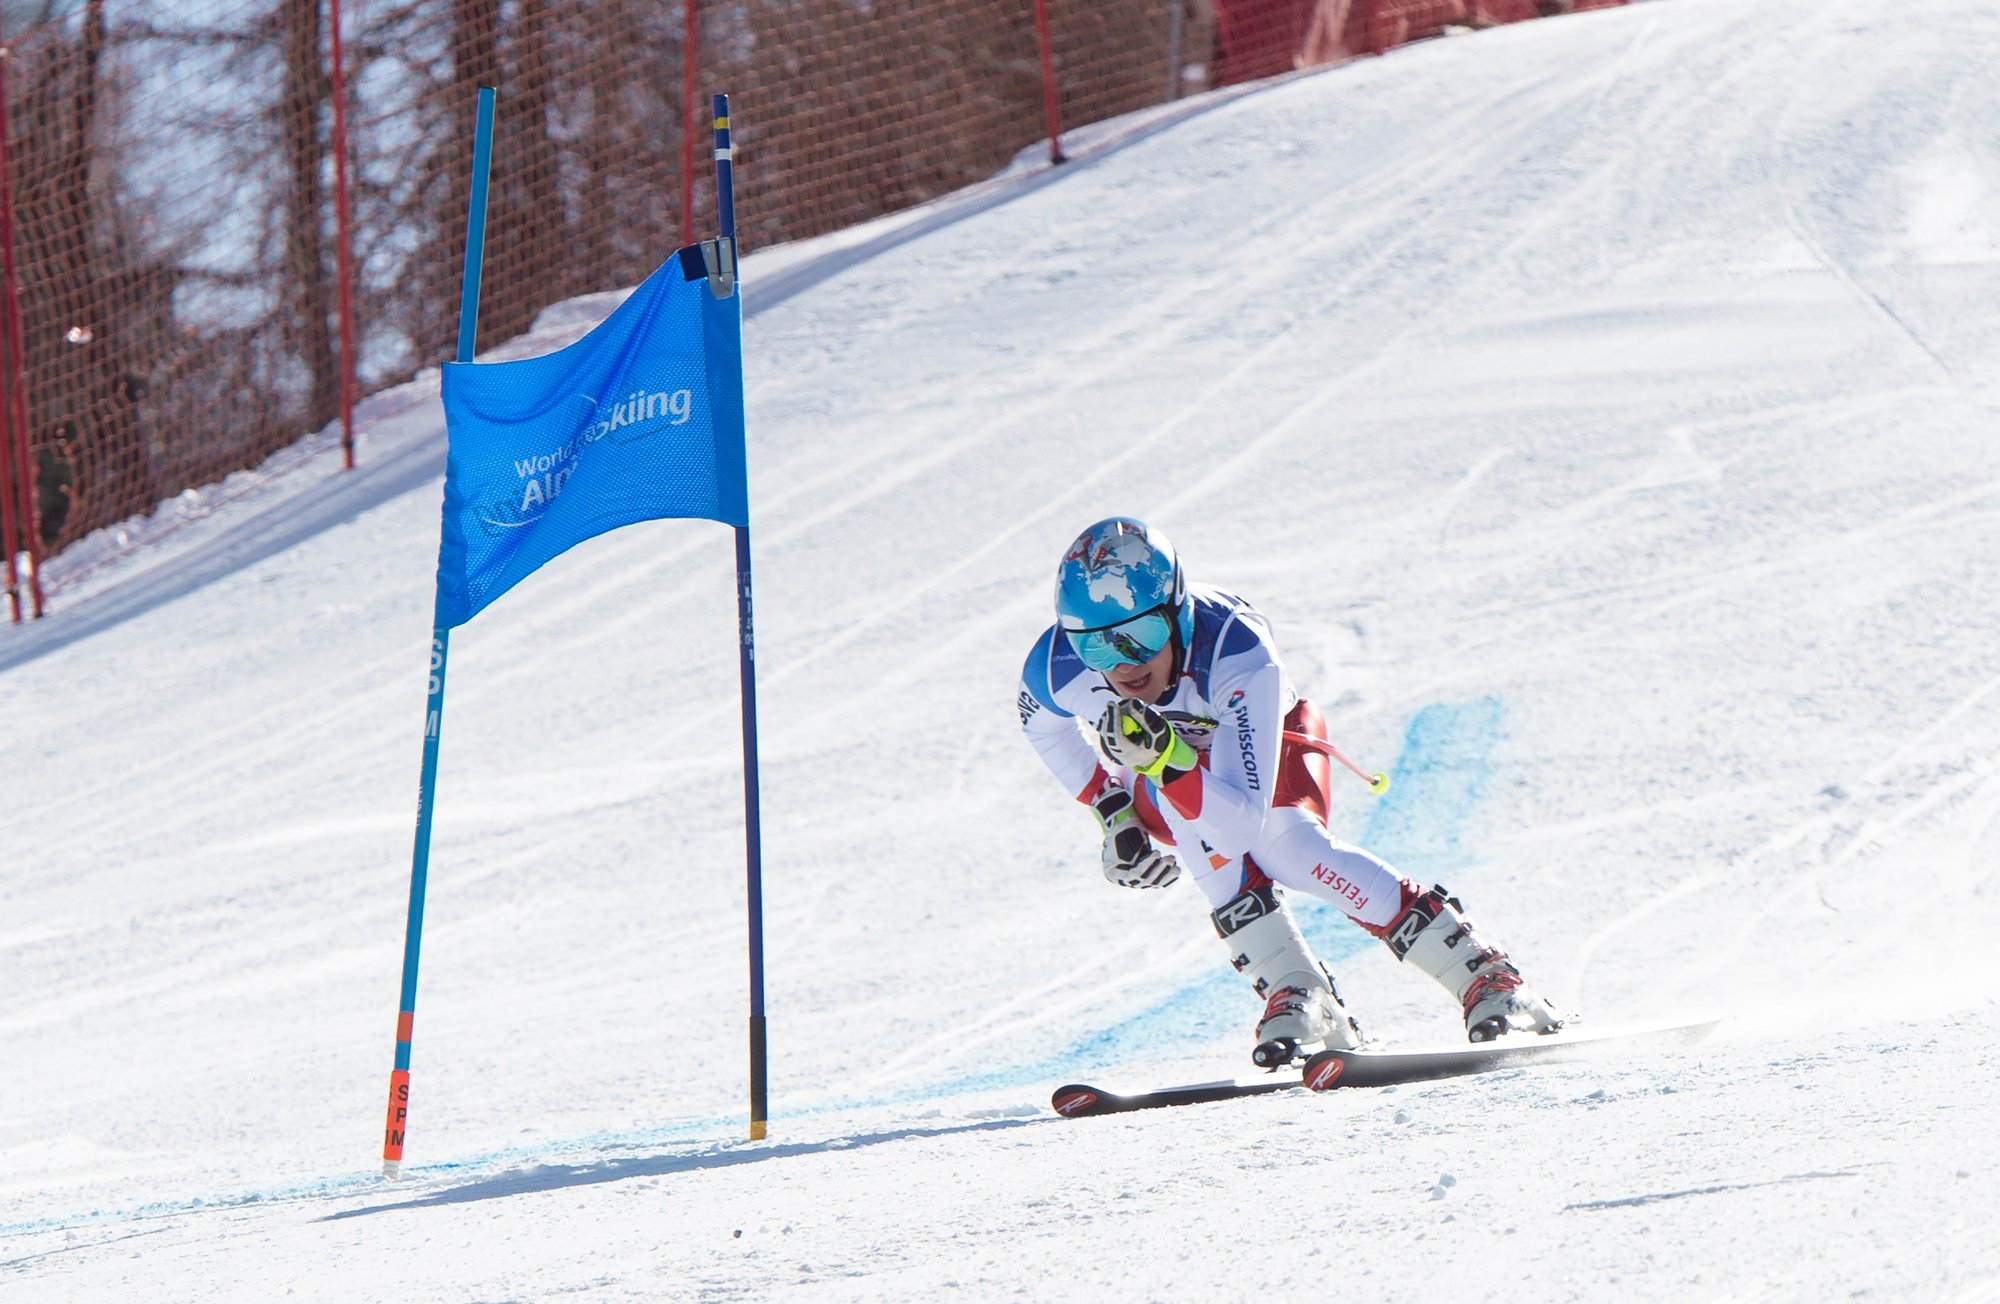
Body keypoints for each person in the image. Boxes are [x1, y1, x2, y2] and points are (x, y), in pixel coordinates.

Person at [1016, 516, 1564, 1067]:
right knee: (1190, 817)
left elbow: (1239, 827)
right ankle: (1299, 990)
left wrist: (1167, 760)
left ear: (1178, 613)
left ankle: (1484, 973)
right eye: (1097, 646)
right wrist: (1112, 811)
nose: (1126, 662)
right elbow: (1043, 725)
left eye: (1143, 636)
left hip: (1269, 740)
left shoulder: (1236, 647)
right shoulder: (1057, 664)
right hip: (1169, 760)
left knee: (1290, 848)